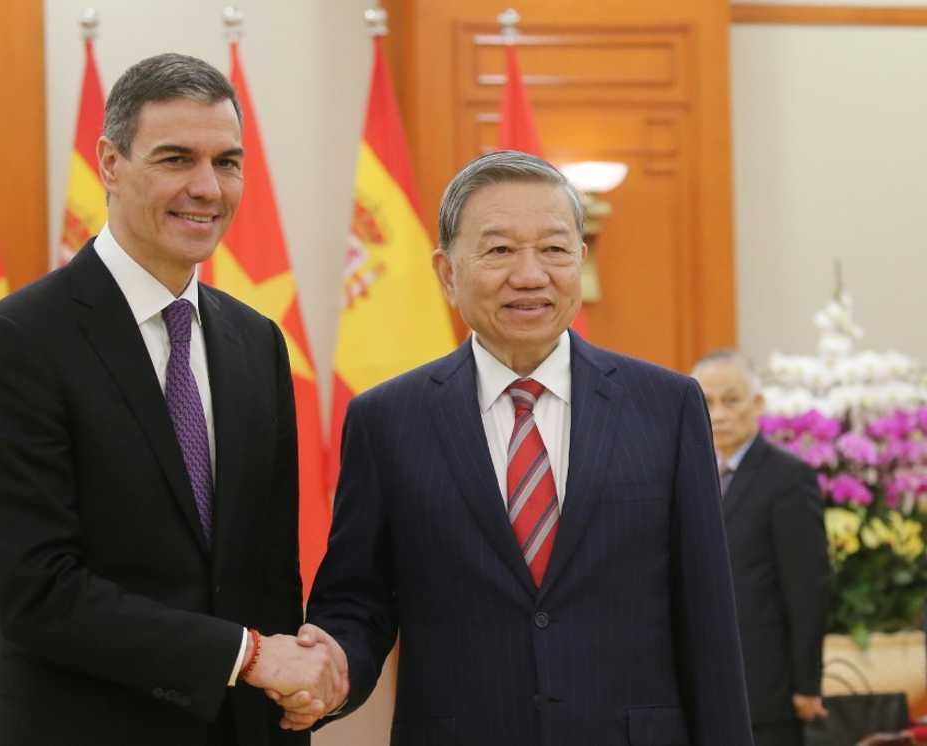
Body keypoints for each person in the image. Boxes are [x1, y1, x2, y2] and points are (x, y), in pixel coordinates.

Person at [281, 150, 754, 744]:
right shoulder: (386, 421)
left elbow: (709, 621)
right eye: (499, 250)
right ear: (447, 272)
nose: (530, 274)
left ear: (579, 260)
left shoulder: (667, 407)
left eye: (554, 249)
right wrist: (330, 669)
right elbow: (359, 602)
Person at [0, 53, 345, 746]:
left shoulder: (258, 343)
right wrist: (247, 656)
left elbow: (269, 574)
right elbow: (37, 593)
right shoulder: (12, 343)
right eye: (175, 159)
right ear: (109, 163)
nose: (207, 188)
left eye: (227, 162)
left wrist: (294, 687)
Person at [692, 350, 830, 746]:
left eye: (730, 400)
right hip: (701, 684)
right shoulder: (687, 473)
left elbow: (807, 588)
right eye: (706, 402)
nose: (717, 413)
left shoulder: (788, 478)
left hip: (766, 688)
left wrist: (807, 684)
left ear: (757, 404)